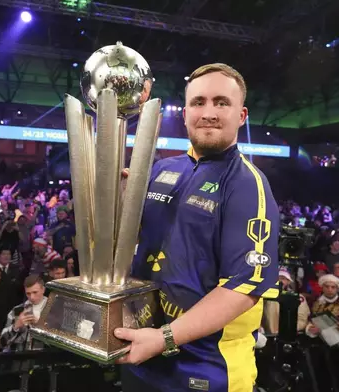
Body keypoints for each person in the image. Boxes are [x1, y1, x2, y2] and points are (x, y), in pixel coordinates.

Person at [115, 63, 280, 392]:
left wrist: (164, 338)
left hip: (209, 368)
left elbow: (243, 289)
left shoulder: (247, 184)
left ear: (242, 115)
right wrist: (121, 202)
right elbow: (131, 241)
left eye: (222, 102)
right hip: (141, 352)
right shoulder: (163, 169)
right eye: (198, 102)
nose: (208, 112)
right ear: (186, 111)